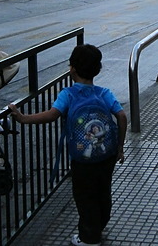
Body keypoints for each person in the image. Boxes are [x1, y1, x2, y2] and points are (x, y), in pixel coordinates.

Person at [9, 44, 127, 246]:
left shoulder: (69, 94)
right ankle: (99, 225)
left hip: (82, 159)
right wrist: (119, 146)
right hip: (106, 156)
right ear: (97, 70)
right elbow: (122, 116)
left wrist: (23, 118)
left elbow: (52, 115)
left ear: (72, 69)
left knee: (84, 196)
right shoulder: (104, 93)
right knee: (102, 192)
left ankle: (89, 238)